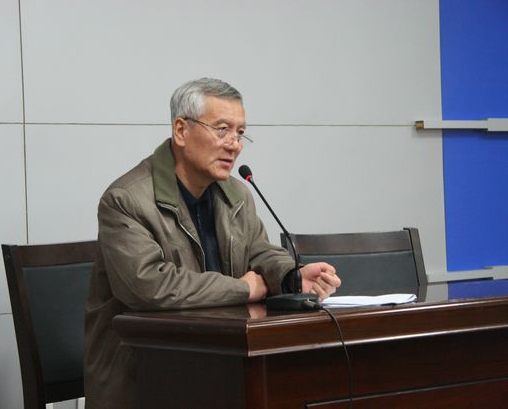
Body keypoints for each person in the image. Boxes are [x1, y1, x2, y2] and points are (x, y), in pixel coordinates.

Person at [84, 77, 341, 408]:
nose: (234, 144)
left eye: (240, 133)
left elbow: (258, 251)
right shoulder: (126, 200)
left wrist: (291, 276)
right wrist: (243, 289)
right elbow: (149, 286)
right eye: (222, 130)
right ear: (181, 131)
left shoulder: (236, 193)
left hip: (220, 367)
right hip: (145, 379)